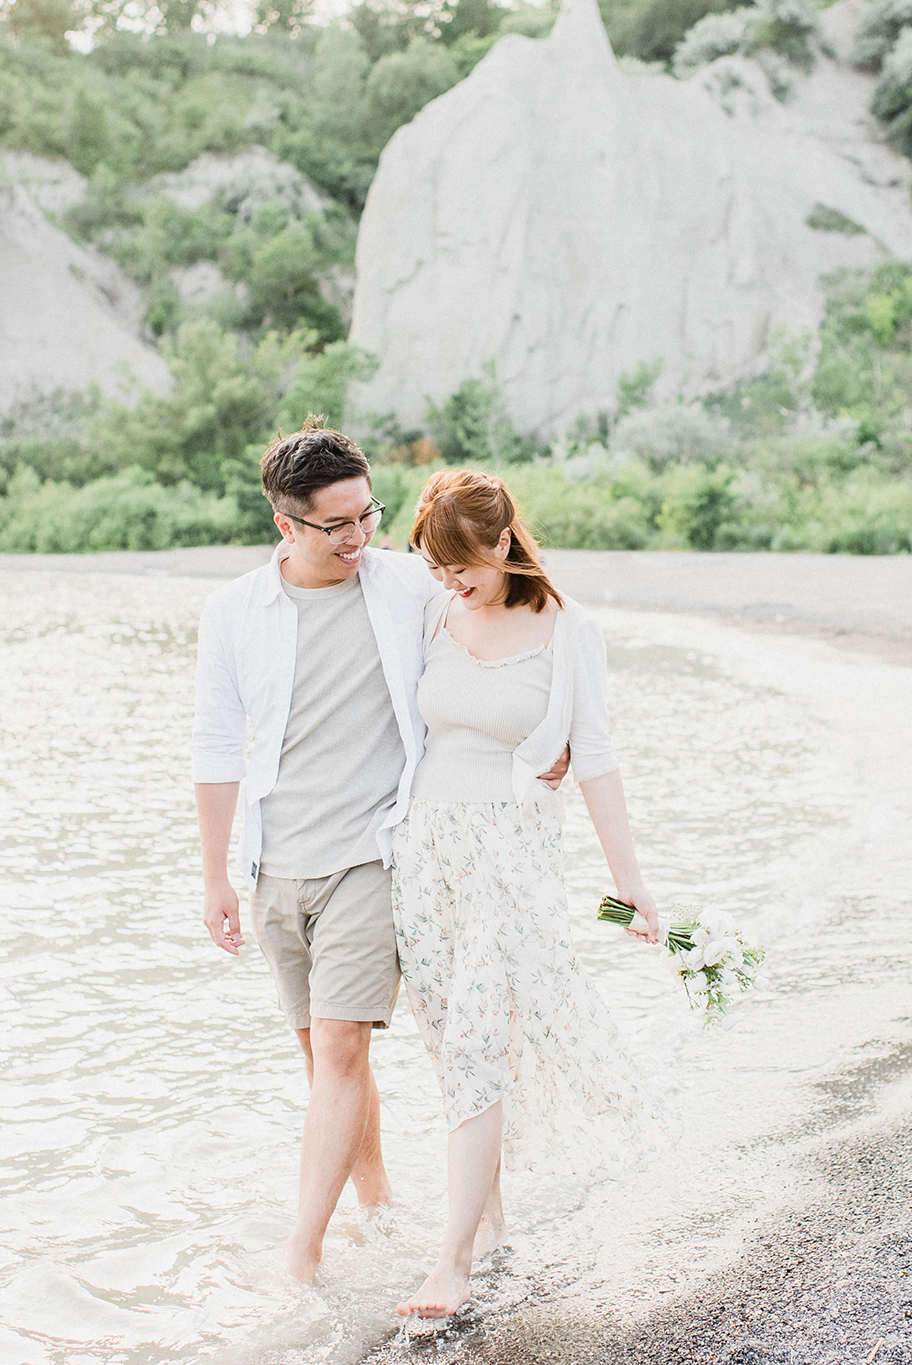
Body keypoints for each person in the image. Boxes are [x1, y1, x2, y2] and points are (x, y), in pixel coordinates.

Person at [192, 418, 567, 1285]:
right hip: (273, 864)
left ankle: (304, 1250)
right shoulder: (235, 612)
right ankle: (379, 1210)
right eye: (338, 524)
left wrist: (558, 735)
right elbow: (216, 746)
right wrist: (214, 873)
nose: (361, 535)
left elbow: (505, 622)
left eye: (368, 514)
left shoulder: (407, 586)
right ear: (285, 525)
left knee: (342, 1052)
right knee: (323, 1059)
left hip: (373, 850)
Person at [391, 469, 668, 1321]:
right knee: (454, 1043)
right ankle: (491, 1219)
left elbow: (596, 756)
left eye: (462, 563)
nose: (451, 580)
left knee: (477, 1035)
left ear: (504, 542)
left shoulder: (566, 628)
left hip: (512, 853)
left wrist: (631, 886)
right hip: (427, 857)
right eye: (436, 565)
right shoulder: (430, 611)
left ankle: (451, 1264)